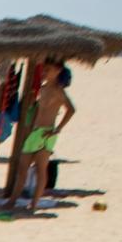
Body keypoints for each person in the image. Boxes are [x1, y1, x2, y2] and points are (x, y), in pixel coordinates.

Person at [15, 57, 76, 212]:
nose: (44, 72)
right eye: (44, 70)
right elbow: (38, 112)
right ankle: (14, 200)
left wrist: (58, 129)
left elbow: (71, 110)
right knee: (23, 167)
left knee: (41, 169)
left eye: (47, 70)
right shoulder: (42, 89)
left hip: (47, 133)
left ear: (58, 71)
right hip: (36, 132)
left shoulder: (58, 91)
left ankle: (34, 204)